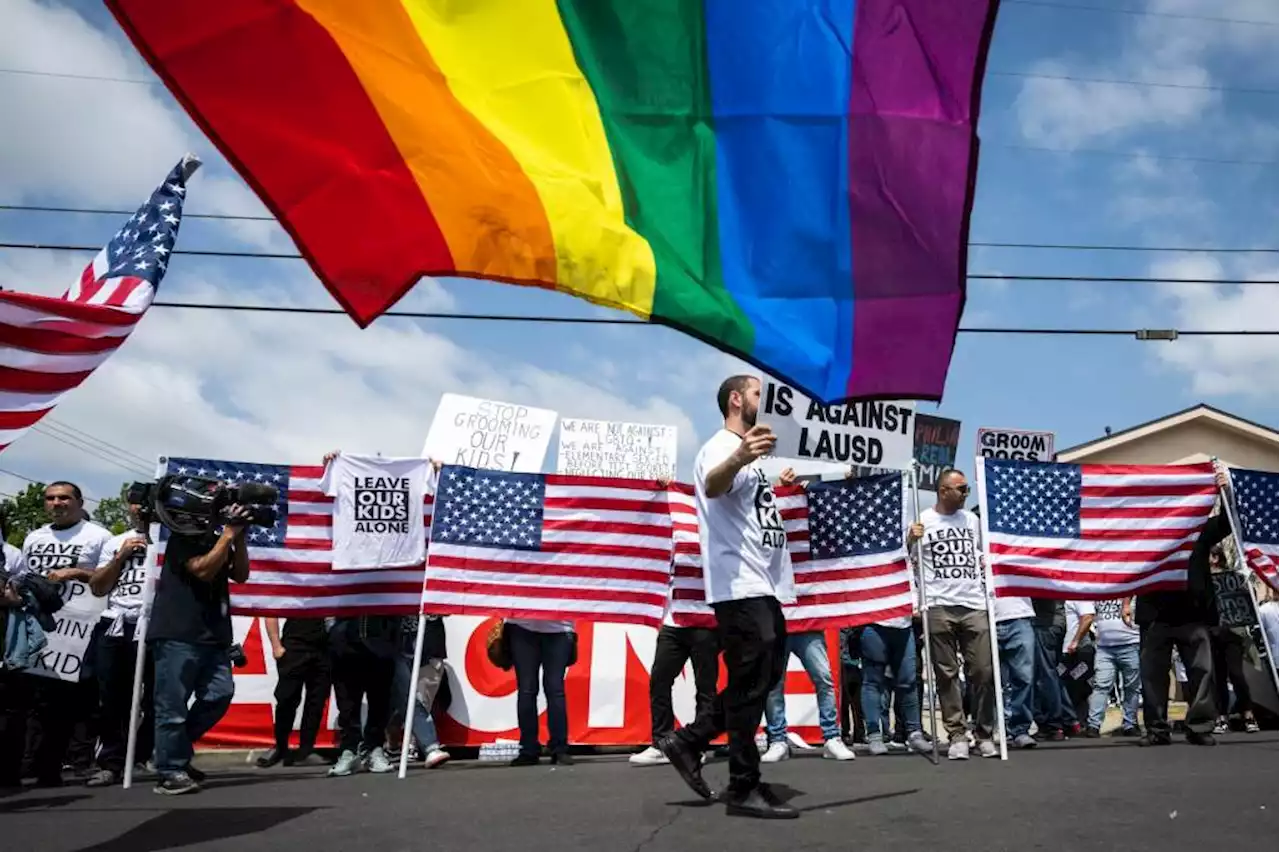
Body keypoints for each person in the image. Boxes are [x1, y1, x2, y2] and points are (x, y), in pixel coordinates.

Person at [657, 375, 798, 819]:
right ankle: (742, 785)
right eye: (759, 394)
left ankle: (689, 741)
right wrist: (739, 455)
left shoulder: (754, 460)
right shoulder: (720, 446)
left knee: (759, 678)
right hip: (740, 588)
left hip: (763, 586)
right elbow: (715, 484)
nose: (766, 402)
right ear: (737, 400)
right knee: (751, 682)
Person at [147, 502, 252, 794]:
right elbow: (202, 570)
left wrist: (239, 538)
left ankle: (171, 752)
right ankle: (169, 771)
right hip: (178, 633)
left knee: (220, 694)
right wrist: (229, 534)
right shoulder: (181, 539)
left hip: (213, 635)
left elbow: (241, 574)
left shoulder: (218, 539)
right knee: (172, 707)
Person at [13, 483, 113, 788]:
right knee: (40, 700)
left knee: (80, 699)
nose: (57, 503)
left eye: (64, 498)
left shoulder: (98, 536)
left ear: (79, 502)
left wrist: (77, 573)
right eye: (51, 498)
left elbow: (109, 579)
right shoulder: (34, 537)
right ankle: (41, 767)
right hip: (40, 625)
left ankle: (80, 764)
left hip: (82, 625)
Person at [1136, 470, 1231, 747]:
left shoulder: (1198, 528)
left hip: (1193, 613)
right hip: (1155, 614)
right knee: (1153, 676)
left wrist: (1225, 493)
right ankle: (1156, 729)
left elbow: (1227, 523)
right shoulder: (1144, 531)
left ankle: (1200, 726)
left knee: (1201, 672)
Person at [908, 469, 996, 760]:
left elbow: (987, 556)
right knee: (946, 674)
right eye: (962, 489)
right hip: (938, 604)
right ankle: (957, 733)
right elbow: (905, 561)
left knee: (983, 670)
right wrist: (910, 539)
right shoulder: (923, 520)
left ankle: (983, 732)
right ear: (943, 491)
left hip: (973, 604)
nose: (965, 494)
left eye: (967, 489)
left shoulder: (972, 520)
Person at [85, 503, 155, 787]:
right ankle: (110, 762)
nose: (140, 513)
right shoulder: (115, 542)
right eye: (135, 508)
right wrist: (121, 556)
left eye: (146, 508)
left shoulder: (170, 541)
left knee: (156, 697)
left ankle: (142, 755)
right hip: (116, 624)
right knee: (112, 697)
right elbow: (98, 587)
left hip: (155, 624)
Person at [630, 617, 719, 767]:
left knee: (705, 688)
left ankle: (698, 745)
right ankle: (662, 745)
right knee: (659, 682)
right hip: (673, 623)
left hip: (707, 622)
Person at [327, 614, 401, 776]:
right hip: (344, 644)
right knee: (347, 705)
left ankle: (374, 748)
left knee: (380, 702)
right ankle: (349, 751)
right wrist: (332, 631)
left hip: (381, 641)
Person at [258, 615, 331, 767]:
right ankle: (280, 747)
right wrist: (276, 645)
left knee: (316, 702)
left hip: (323, 649)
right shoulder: (295, 592)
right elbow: (271, 611)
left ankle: (306, 749)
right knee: (286, 699)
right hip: (294, 647)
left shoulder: (328, 591)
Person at [507, 617, 577, 766]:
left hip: (558, 628)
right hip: (524, 626)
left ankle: (557, 748)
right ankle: (529, 748)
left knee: (553, 689)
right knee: (529, 690)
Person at [387, 614, 451, 769]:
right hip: (397, 650)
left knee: (420, 701)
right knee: (402, 702)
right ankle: (392, 746)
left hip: (427, 654)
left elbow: (446, 607)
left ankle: (421, 746)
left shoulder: (431, 592)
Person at [1207, 545, 1260, 734]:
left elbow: (1249, 598)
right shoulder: (1203, 581)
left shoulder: (1233, 578)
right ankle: (1221, 717)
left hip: (1233, 632)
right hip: (1212, 633)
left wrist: (1247, 588)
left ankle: (1248, 713)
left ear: (1215, 557)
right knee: (1217, 676)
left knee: (1236, 673)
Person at [1085, 598, 1141, 738]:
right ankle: (1093, 725)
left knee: (1131, 686)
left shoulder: (1132, 589)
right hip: (1104, 647)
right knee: (1101, 685)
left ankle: (1130, 724)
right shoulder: (1099, 590)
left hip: (1131, 644)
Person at [992, 594, 1038, 750]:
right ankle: (984, 732)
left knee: (1024, 677)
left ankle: (1020, 730)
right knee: (983, 677)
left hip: (1019, 615)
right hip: (983, 616)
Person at [837, 626, 865, 747]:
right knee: (845, 702)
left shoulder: (857, 630)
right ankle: (846, 732)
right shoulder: (840, 630)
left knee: (857, 702)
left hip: (855, 664)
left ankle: (859, 733)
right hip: (843, 664)